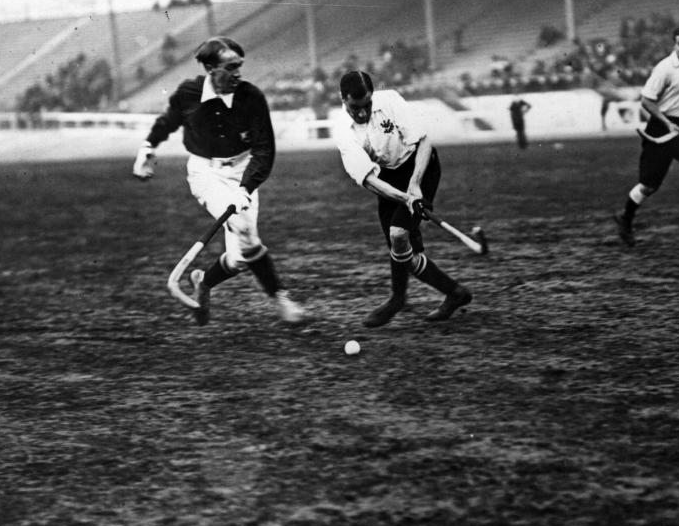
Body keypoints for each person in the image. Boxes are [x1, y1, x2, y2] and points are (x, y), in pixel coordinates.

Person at [131, 36, 309, 326]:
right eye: (230, 67)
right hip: (205, 173)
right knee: (243, 229)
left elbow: (264, 150)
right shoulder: (188, 94)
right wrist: (147, 148)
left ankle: (204, 282)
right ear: (211, 68)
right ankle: (282, 300)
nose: (237, 73)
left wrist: (245, 187)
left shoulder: (252, 97)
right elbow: (168, 121)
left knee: (240, 258)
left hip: (243, 172)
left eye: (239, 66)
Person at [335, 70, 472, 328]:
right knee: (404, 253)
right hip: (387, 180)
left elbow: (424, 141)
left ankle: (398, 299)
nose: (362, 113)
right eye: (355, 108)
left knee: (399, 235)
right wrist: (404, 197)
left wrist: (415, 186)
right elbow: (369, 180)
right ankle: (454, 293)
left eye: (367, 105)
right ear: (343, 100)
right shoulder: (343, 131)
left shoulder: (391, 101)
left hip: (421, 167)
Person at [613, 25, 679, 247]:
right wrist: (667, 124)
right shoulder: (664, 69)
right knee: (648, 186)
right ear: (674, 45)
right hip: (660, 129)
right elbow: (646, 101)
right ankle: (626, 217)